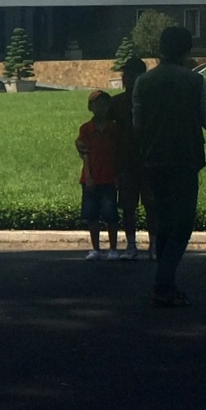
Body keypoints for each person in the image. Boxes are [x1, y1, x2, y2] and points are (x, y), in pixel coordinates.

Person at [133, 26, 206, 307]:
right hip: (186, 158)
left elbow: (137, 124)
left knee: (165, 219)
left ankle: (165, 282)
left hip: (153, 158)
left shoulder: (143, 82)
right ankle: (163, 281)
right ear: (187, 50)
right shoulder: (195, 81)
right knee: (184, 221)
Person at [110, 57, 154, 260]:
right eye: (125, 75)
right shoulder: (117, 103)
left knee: (151, 204)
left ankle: (153, 244)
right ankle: (131, 244)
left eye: (130, 75)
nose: (126, 78)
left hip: (148, 159)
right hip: (126, 160)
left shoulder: (151, 102)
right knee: (128, 205)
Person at [76, 90, 120, 260]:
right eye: (96, 104)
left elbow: (118, 154)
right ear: (90, 107)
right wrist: (88, 176)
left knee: (111, 214)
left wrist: (117, 175)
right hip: (91, 177)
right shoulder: (86, 129)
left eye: (103, 104)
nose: (100, 107)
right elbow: (84, 152)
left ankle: (113, 248)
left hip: (109, 176)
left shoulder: (114, 129)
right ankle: (96, 248)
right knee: (92, 215)